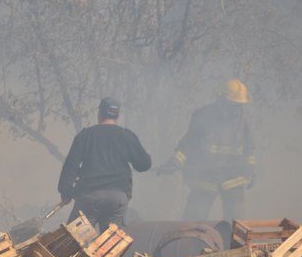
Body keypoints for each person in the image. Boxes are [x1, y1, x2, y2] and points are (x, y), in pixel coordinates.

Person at [158, 79, 255, 221]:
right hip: (205, 176)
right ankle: (189, 242)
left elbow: (249, 149)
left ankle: (235, 243)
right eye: (232, 104)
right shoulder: (202, 116)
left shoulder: (243, 121)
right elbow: (188, 144)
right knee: (194, 218)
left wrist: (251, 169)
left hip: (233, 176)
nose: (236, 109)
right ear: (221, 99)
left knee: (237, 223)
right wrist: (174, 162)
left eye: (239, 105)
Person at [57, 97, 152, 232]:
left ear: (100, 113)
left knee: (72, 242)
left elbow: (70, 167)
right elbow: (144, 164)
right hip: (117, 198)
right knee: (110, 245)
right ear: (117, 115)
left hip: (89, 197)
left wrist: (66, 191)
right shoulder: (127, 136)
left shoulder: (85, 135)